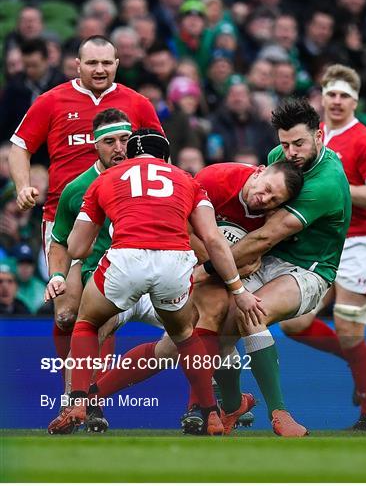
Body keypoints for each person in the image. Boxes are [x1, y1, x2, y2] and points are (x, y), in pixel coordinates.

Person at [47, 129, 263, 436]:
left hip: (126, 258)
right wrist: (237, 290)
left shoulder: (104, 179)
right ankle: (210, 413)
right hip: (174, 262)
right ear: (165, 157)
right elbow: (213, 240)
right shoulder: (188, 180)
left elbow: (78, 248)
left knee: (87, 322)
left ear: (132, 155)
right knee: (186, 335)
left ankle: (78, 401)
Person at [76, 159, 304, 436]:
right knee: (180, 342)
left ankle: (205, 408)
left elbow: (257, 254)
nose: (263, 199)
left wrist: (223, 266)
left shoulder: (276, 216)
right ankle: (223, 405)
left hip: (215, 277)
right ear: (258, 172)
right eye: (266, 188)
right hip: (176, 265)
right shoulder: (215, 179)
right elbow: (180, 226)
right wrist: (218, 261)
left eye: (272, 199)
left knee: (184, 343)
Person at [195, 98, 351, 437]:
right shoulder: (277, 160)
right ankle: (233, 404)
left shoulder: (324, 184)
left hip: (309, 269)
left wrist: (206, 269)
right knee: (222, 322)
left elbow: (266, 236)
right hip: (267, 258)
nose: (291, 152)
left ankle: (280, 414)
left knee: (253, 314)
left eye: (299, 143)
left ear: (319, 136)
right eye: (285, 144)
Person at [8, 35, 163, 375]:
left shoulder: (137, 103)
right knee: (66, 314)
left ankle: (87, 395)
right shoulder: (51, 101)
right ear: (77, 65)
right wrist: (23, 186)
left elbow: (160, 157)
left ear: (117, 64)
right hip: (65, 219)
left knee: (100, 309)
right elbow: (19, 145)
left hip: (121, 222)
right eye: (92, 63)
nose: (100, 69)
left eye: (107, 63)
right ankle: (75, 388)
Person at [280, 65, 366, 432]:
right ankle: (361, 358)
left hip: (360, 242)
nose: (338, 101)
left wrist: (336, 190)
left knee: (348, 329)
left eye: (345, 95)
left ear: (356, 100)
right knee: (296, 324)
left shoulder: (365, 141)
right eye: (332, 93)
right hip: (324, 243)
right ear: (322, 96)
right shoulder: (311, 138)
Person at [44, 107, 163, 432]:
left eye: (125, 139)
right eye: (109, 141)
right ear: (94, 146)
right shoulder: (77, 188)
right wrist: (57, 274)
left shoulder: (156, 179)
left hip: (155, 270)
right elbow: (61, 240)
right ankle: (78, 403)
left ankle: (208, 406)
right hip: (100, 271)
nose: (119, 148)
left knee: (202, 324)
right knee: (77, 318)